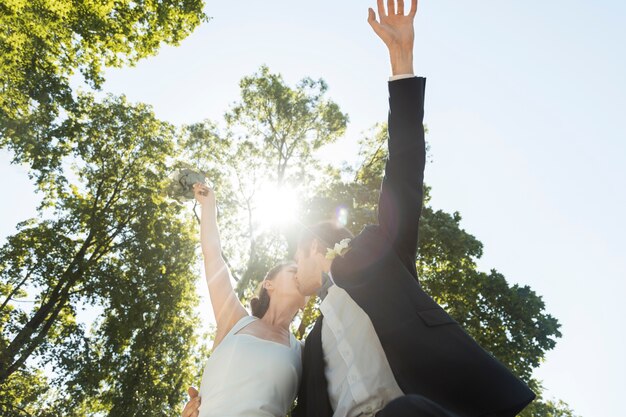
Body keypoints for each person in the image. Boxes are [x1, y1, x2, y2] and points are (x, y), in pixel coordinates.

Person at [291, 1, 536, 416]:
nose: (295, 271)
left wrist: (400, 61)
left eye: (296, 259)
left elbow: (403, 173)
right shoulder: (309, 348)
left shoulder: (377, 260)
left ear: (315, 246)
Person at [181, 183, 305, 417]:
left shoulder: (305, 352)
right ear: (269, 284)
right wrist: (209, 205)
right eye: (292, 271)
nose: (300, 274)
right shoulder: (235, 321)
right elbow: (213, 256)